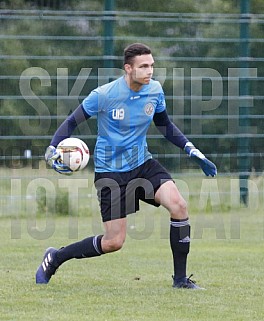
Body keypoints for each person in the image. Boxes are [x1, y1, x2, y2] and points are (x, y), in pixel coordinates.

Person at [36, 43, 217, 289]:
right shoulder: (104, 94)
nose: (150, 71)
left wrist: (191, 149)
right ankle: (56, 257)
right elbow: (71, 121)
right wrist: (53, 147)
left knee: (179, 205)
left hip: (142, 164)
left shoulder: (154, 90)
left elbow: (164, 126)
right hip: (110, 173)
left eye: (152, 65)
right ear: (128, 69)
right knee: (114, 242)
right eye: (144, 66)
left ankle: (181, 280)